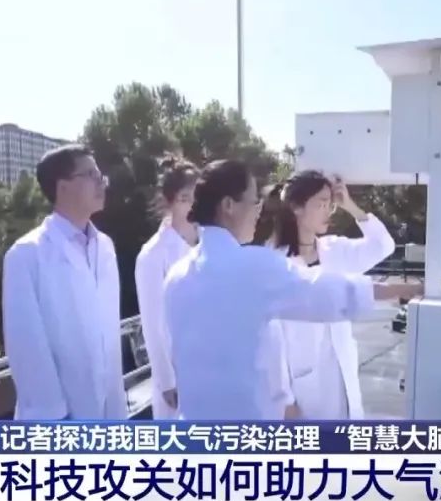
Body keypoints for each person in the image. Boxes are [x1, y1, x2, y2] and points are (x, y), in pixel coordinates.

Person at [162, 159, 421, 420]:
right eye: (254, 202)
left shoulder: (177, 276)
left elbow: (178, 358)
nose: (258, 212)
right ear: (228, 205)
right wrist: (399, 290)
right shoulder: (255, 266)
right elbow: (323, 293)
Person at [1, 144, 127, 420]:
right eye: (91, 175)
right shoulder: (26, 255)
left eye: (101, 176)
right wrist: (52, 415)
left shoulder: (105, 246)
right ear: (63, 187)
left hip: (109, 410)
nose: (101, 183)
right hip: (60, 418)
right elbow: (27, 346)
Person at [266, 170, 395, 420]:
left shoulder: (335, 251)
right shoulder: (273, 262)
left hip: (342, 376)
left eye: (331, 204)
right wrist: (285, 401)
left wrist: (351, 206)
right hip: (302, 389)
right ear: (296, 207)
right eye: (321, 204)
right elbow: (271, 339)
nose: (329, 211)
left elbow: (383, 245)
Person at [134, 156, 200, 419]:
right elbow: (152, 323)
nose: (193, 205)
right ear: (169, 201)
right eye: (185, 198)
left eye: (197, 197)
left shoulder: (212, 241)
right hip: (178, 370)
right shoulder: (153, 253)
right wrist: (166, 379)